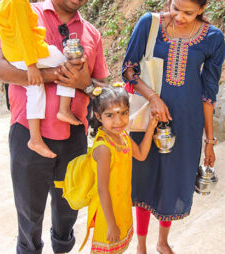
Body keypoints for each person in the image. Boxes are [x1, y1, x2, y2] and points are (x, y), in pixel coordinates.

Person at [0, 0, 109, 253]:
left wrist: (85, 84)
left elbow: (102, 87)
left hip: (73, 135)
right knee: (29, 214)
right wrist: (54, 75)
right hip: (27, 134)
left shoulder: (92, 34)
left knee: (68, 209)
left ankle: (62, 248)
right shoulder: (22, 10)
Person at [122, 0, 225, 253]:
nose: (179, 16)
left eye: (188, 13)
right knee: (144, 177)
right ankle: (141, 245)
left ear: (202, 10)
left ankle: (162, 241)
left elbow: (208, 93)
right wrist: (153, 98)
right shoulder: (150, 24)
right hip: (147, 116)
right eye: (175, 8)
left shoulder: (213, 38)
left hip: (187, 122)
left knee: (174, 178)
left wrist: (209, 141)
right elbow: (129, 69)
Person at [0, 0, 81, 159]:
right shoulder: (17, 3)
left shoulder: (7, 0)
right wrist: (31, 66)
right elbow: (24, 35)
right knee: (65, 62)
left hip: (14, 54)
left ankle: (35, 138)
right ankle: (64, 109)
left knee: (34, 90)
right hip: (29, 53)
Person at [66, 85, 157, 253]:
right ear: (99, 116)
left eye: (123, 113)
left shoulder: (123, 136)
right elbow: (102, 189)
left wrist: (151, 126)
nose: (118, 121)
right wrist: (111, 224)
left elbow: (142, 155)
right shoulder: (104, 148)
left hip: (121, 207)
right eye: (110, 115)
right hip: (107, 214)